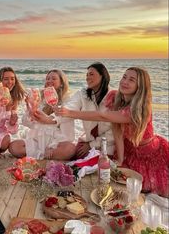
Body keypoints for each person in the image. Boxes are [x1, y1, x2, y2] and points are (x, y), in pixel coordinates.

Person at [56, 67, 169, 197]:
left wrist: (70, 113)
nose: (125, 82)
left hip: (150, 152)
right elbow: (117, 132)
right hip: (129, 150)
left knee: (155, 191)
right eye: (124, 77)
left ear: (140, 86)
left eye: (131, 80)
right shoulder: (116, 98)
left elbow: (103, 116)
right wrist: (120, 158)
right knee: (119, 182)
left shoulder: (138, 109)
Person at [9, 69, 76, 160]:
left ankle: (42, 154)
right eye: (47, 79)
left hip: (56, 142)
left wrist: (52, 146)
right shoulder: (39, 98)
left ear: (61, 83)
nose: (49, 81)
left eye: (53, 78)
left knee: (70, 149)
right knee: (14, 146)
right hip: (37, 141)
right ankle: (43, 155)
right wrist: (29, 109)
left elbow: (67, 131)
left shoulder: (67, 100)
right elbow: (27, 123)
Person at [64, 62, 114, 159]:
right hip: (88, 141)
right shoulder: (83, 94)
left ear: (102, 76)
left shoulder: (113, 97)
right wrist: (52, 118)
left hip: (108, 146)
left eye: (91, 74)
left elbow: (114, 133)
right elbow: (70, 106)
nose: (87, 77)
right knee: (71, 159)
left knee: (94, 165)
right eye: (86, 75)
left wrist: (92, 145)